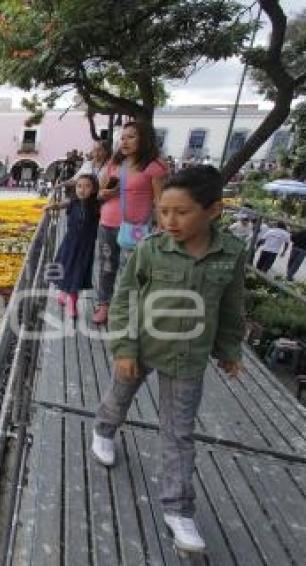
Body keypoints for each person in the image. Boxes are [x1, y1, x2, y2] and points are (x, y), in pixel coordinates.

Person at [91, 165, 245, 554]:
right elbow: (124, 297)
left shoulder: (231, 254)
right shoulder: (149, 249)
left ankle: (178, 509)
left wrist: (229, 351)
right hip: (143, 345)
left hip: (189, 355)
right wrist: (123, 348)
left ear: (213, 210)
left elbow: (231, 307)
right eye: (163, 211)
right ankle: (104, 430)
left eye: (182, 212)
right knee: (119, 397)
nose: (170, 221)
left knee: (179, 432)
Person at [93, 121, 168, 324]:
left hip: (136, 228)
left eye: (131, 136)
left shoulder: (155, 167)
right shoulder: (115, 164)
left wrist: (162, 230)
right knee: (107, 266)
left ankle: (123, 310)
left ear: (144, 139)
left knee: (131, 273)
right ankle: (104, 305)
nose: (125, 141)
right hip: (108, 222)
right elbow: (99, 194)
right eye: (123, 137)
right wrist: (106, 193)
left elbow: (161, 201)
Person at [44, 174, 100, 318]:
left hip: (86, 246)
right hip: (70, 244)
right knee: (67, 269)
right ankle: (64, 294)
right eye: (79, 186)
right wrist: (52, 206)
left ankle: (72, 301)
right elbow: (61, 204)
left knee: (78, 272)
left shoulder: (96, 205)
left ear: (94, 190)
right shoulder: (73, 203)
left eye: (87, 186)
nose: (82, 190)